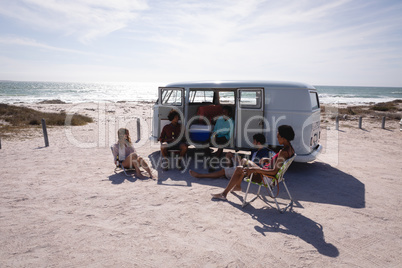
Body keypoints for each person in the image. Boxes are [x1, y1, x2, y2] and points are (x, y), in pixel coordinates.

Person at [211, 125, 295, 201]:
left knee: (239, 168)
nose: (277, 138)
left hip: (266, 178)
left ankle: (225, 193)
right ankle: (235, 187)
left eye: (278, 137)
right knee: (243, 163)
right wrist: (269, 160)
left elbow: (274, 171)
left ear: (284, 138)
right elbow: (280, 163)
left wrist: (254, 169)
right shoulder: (291, 149)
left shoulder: (283, 152)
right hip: (269, 176)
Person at [190, 133, 272, 179]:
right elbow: (249, 159)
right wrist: (238, 158)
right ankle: (230, 171)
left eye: (254, 141)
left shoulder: (264, 152)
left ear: (258, 143)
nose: (252, 143)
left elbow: (259, 166)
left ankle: (200, 175)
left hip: (249, 171)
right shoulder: (255, 150)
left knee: (222, 171)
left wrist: (243, 161)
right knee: (229, 154)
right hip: (245, 165)